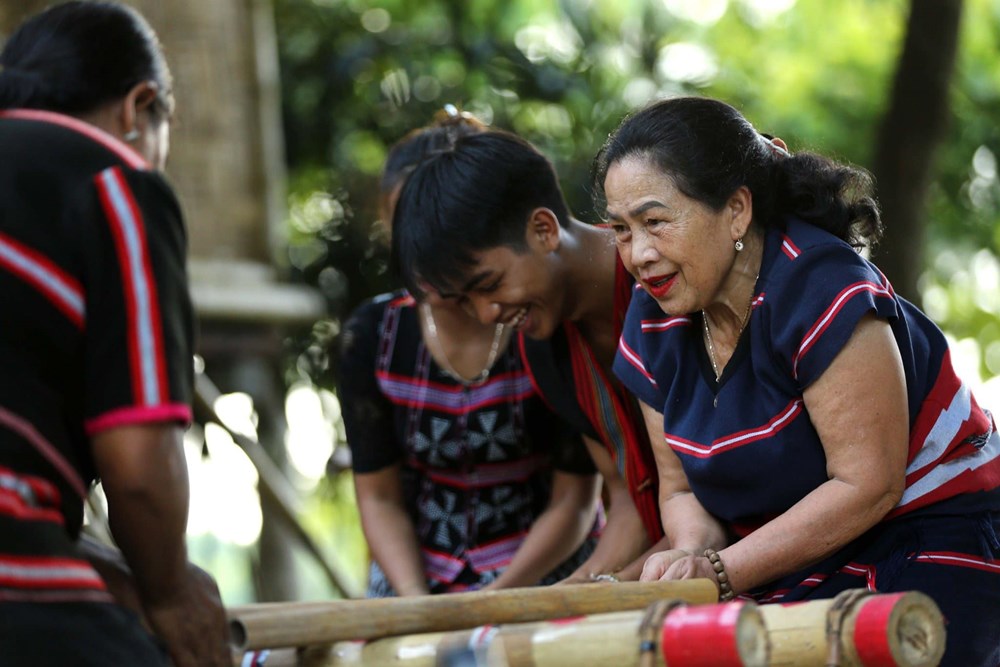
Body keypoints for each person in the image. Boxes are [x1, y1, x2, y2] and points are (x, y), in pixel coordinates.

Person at [597, 96, 1000, 666]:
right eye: (620, 229)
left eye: (655, 222)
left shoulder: (822, 286)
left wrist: (717, 571)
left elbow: (868, 484)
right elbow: (681, 489)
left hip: (930, 533)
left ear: (736, 210)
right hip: (796, 557)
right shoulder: (652, 317)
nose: (638, 253)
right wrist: (689, 554)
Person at [0, 3, 230, 666]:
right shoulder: (112, 183)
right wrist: (169, 588)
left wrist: (117, 578)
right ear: (139, 106)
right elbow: (138, 463)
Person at [339, 109, 602, 596]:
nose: (430, 258)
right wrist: (420, 609)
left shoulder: (539, 316)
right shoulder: (374, 336)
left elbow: (576, 501)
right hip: (416, 578)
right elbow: (378, 497)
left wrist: (492, 601)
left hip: (544, 573)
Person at [391, 129, 670, 581]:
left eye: (488, 285)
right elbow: (628, 500)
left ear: (543, 230)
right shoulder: (542, 348)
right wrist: (548, 599)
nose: (486, 314)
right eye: (464, 300)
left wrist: (591, 594)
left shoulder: (663, 281)